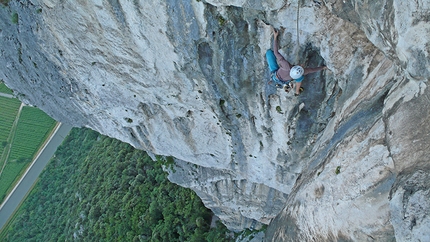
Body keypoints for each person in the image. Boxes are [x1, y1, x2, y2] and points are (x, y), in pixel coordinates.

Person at [266, 27, 327, 96]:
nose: (301, 65)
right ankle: (297, 91)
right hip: (284, 80)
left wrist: (275, 37)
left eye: (300, 66)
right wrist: (323, 67)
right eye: (301, 66)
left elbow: (276, 53)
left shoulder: (286, 65)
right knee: (299, 78)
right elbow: (312, 70)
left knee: (269, 53)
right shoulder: (299, 73)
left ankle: (294, 89)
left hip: (276, 75)